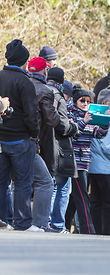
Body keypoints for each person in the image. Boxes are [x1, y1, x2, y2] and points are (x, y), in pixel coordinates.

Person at [0, 39, 41, 231]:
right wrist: (34, 134)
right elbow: (31, 114)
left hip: (1, 140)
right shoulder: (25, 82)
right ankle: (23, 223)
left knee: (1, 182)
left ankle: (2, 220)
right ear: (24, 61)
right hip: (21, 140)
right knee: (23, 182)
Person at [66, 85, 109, 234]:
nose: (85, 104)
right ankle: (88, 230)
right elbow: (72, 134)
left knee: (73, 197)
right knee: (82, 196)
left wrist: (105, 122)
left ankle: (64, 226)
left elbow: (98, 134)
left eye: (88, 101)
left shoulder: (90, 116)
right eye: (82, 100)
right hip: (73, 161)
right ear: (75, 101)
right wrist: (84, 121)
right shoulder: (70, 115)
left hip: (84, 161)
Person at [28, 57, 60, 232]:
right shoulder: (45, 90)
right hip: (30, 142)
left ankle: (13, 220)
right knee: (46, 182)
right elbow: (53, 120)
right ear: (44, 71)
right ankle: (39, 223)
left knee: (17, 182)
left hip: (9, 139)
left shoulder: (21, 85)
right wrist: (54, 106)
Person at [46, 67, 79, 233]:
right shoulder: (58, 97)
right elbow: (64, 127)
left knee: (48, 186)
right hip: (59, 149)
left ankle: (46, 222)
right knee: (63, 188)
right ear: (60, 82)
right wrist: (75, 127)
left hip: (44, 147)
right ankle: (57, 224)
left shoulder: (40, 91)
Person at [88, 89, 110, 236]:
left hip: (94, 166)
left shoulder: (92, 116)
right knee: (109, 204)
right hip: (106, 167)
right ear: (105, 103)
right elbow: (108, 145)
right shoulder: (105, 119)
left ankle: (96, 230)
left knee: (96, 202)